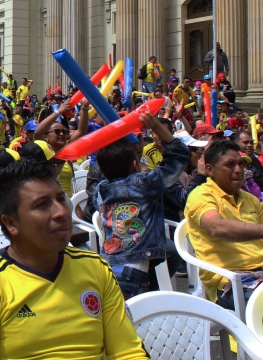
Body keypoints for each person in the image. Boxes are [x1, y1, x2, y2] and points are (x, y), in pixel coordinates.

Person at [0, 158, 149, 360]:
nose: (62, 212)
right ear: (11, 223)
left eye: (61, 199)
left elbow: (128, 352)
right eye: (42, 205)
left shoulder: (95, 267)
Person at [94, 115, 189, 299]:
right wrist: (155, 126)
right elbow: (179, 156)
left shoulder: (101, 188)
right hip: (134, 272)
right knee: (133, 320)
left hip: (111, 266)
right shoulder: (145, 184)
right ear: (135, 164)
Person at [184, 139, 263, 308]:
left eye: (241, 164)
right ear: (210, 170)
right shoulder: (201, 195)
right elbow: (216, 227)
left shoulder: (250, 199)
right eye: (230, 164)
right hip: (231, 280)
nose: (238, 170)